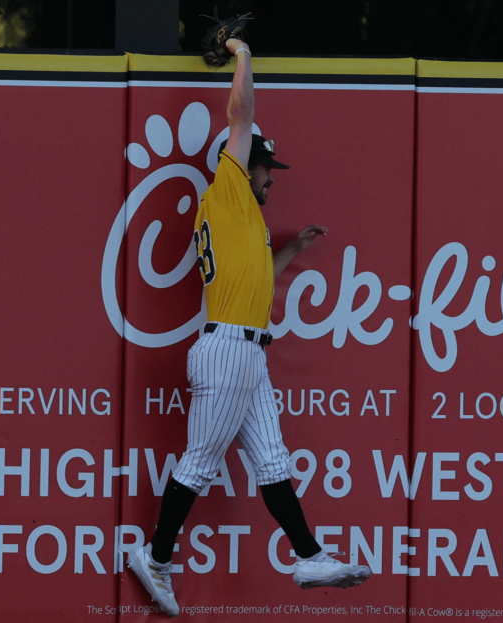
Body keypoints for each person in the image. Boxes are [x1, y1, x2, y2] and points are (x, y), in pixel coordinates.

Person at [127, 38, 372, 617]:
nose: (271, 180)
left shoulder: (243, 223)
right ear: (245, 164)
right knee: (198, 463)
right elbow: (242, 112)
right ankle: (155, 556)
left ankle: (308, 555)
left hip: (246, 351)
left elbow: (257, 277)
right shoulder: (230, 188)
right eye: (268, 170)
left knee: (273, 461)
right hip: (226, 351)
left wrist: (293, 249)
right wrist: (241, 51)